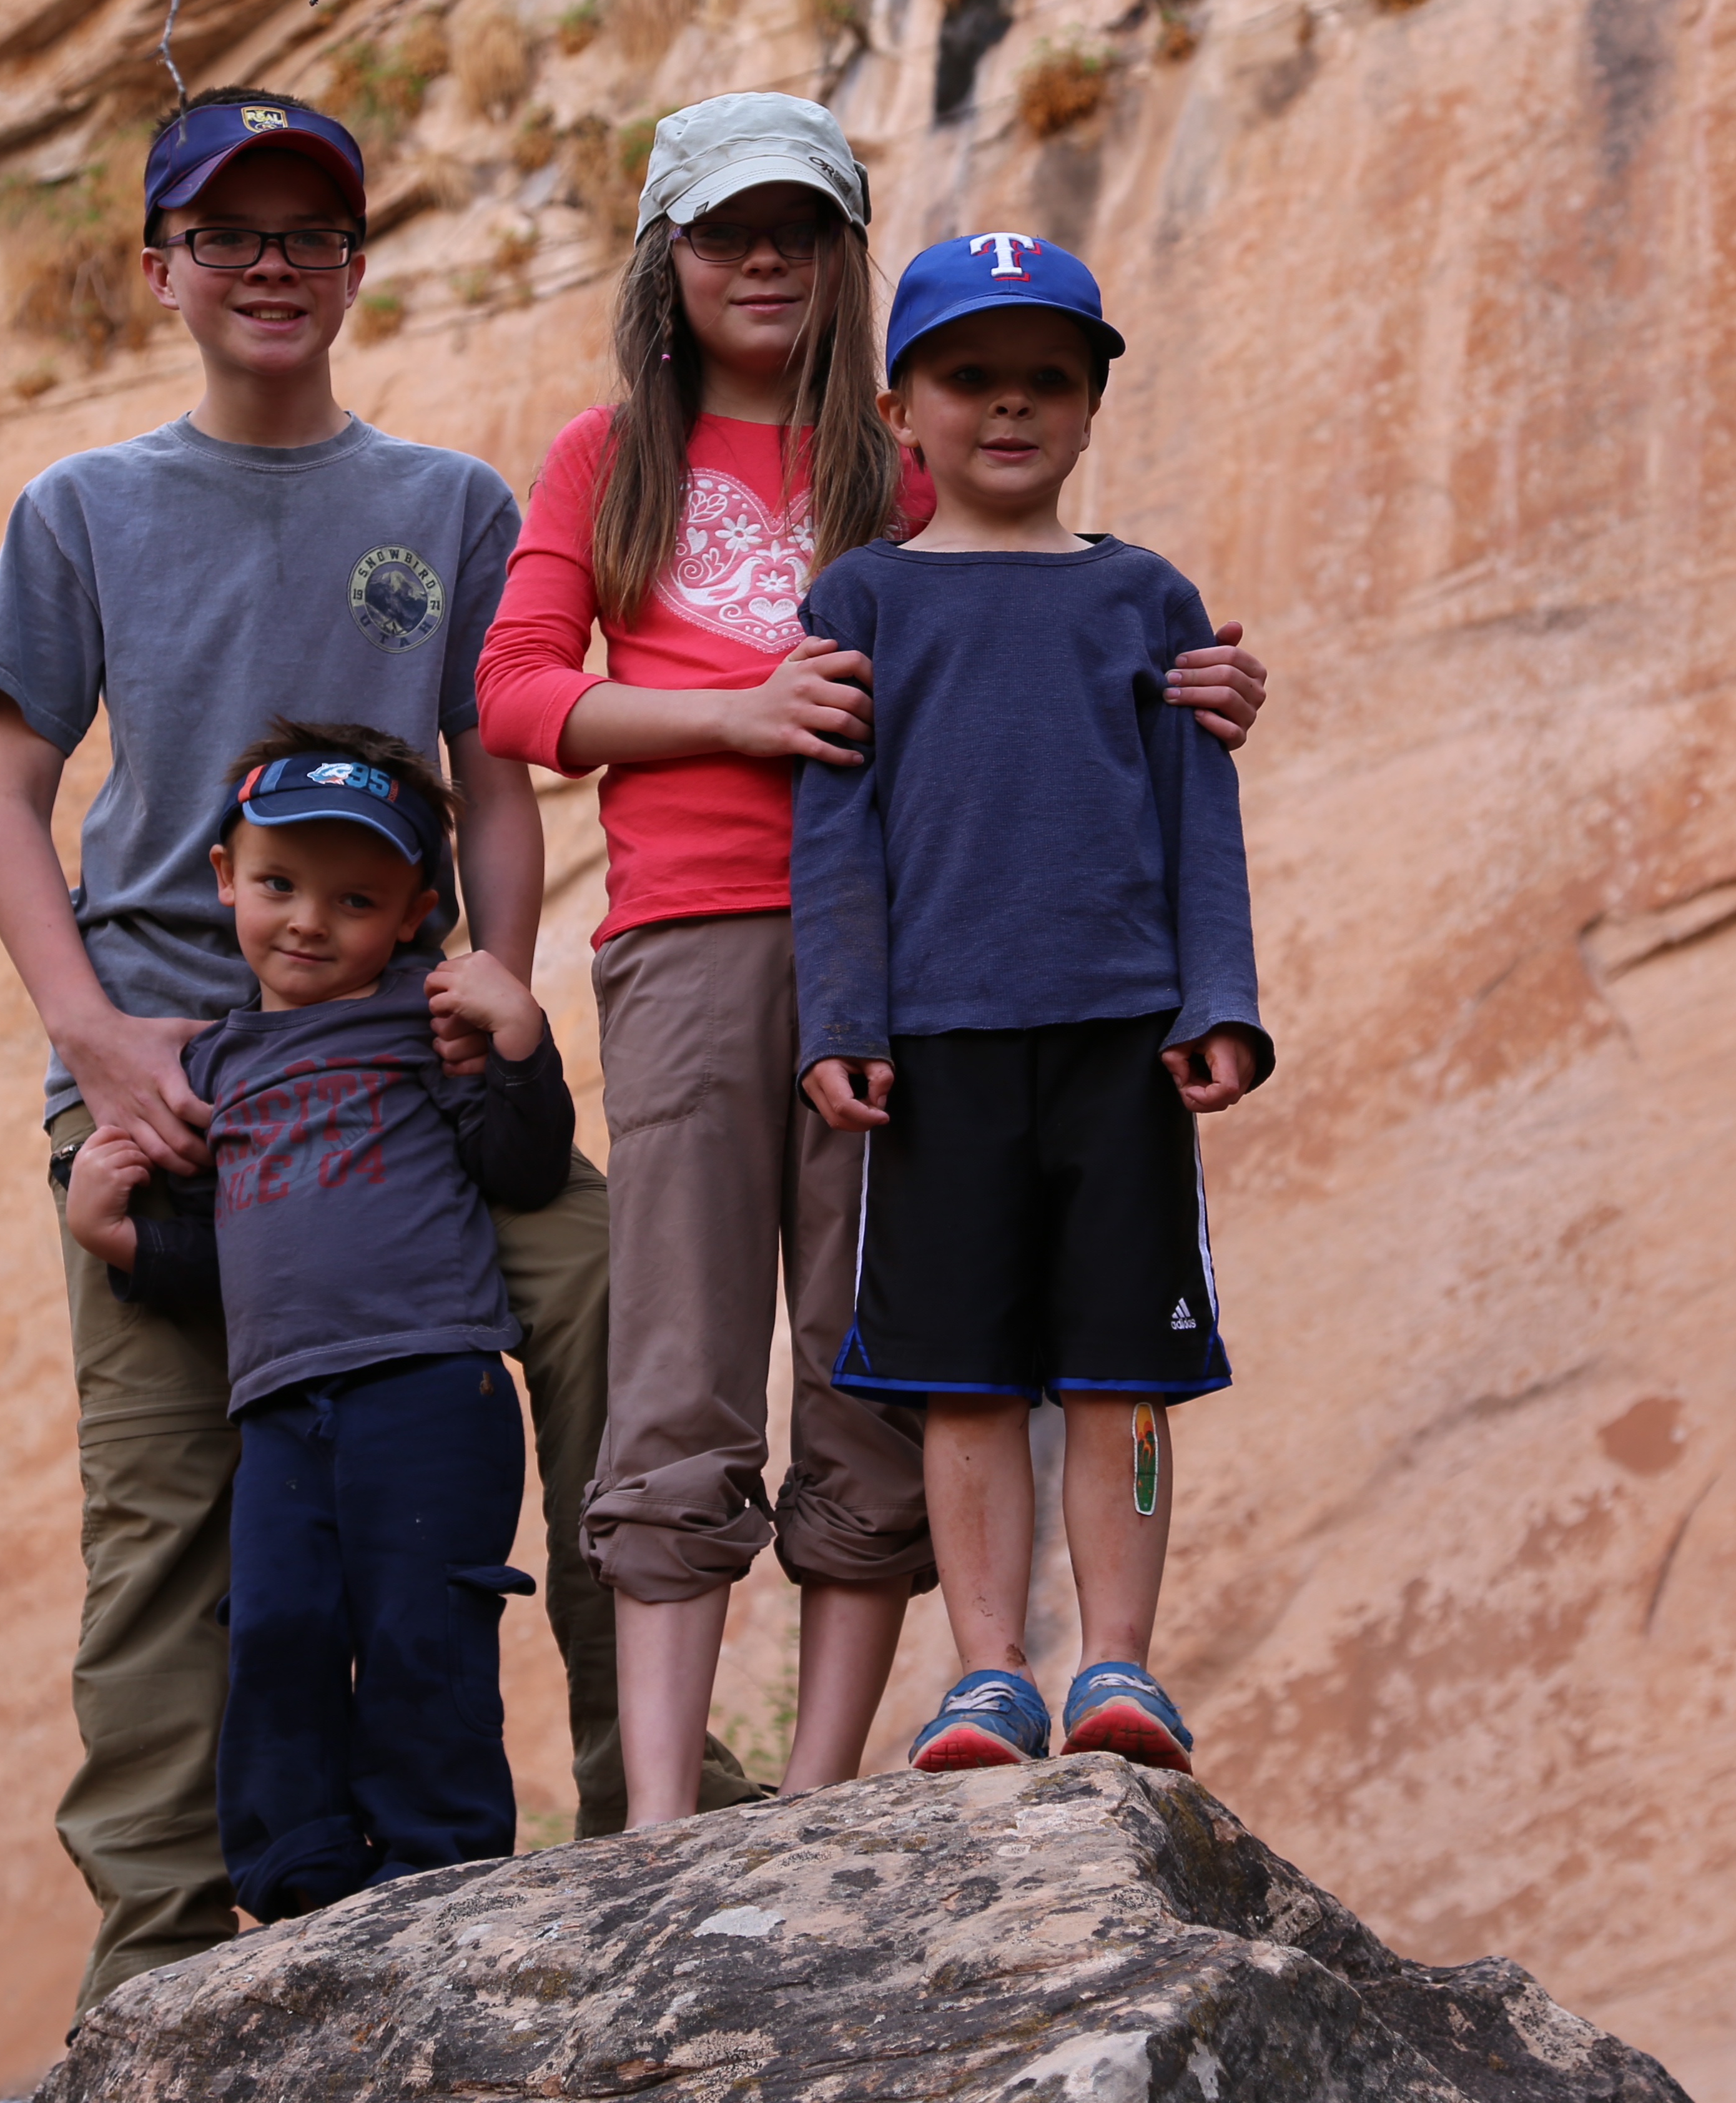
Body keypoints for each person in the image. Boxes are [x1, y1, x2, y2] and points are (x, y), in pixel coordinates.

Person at [473, 95, 1272, 1826]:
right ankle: (668, 1813)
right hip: (690, 932)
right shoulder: (611, 457)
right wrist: (735, 714)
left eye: (800, 232)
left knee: (874, 1353)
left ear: (849, 263)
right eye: (722, 232)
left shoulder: (908, 466)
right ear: (664, 257)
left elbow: (1051, 645)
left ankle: (822, 1793)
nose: (761, 261)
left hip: (923, 965)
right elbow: (519, 691)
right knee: (681, 1357)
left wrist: (1196, 689)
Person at [0, 89, 621, 2017]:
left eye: (306, 236)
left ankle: (646, 1789)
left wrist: (498, 978)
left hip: (406, 1059)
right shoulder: (85, 510)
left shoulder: (447, 508)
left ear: (352, 268)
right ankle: (158, 1951)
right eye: (224, 236)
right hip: (178, 1078)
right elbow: (6, 800)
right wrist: (92, 1041)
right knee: (168, 1510)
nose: (267, 269)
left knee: (593, 1303)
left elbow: (495, 778)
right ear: (159, 267)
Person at [793, 232, 1270, 1777]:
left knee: (1126, 1369)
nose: (1010, 410)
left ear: (1091, 405)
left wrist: (1220, 999)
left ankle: (1119, 1666)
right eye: (970, 379)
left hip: (1120, 1038)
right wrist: (840, 1021)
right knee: (964, 1372)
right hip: (936, 1051)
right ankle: (988, 1672)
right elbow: (835, 834)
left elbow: (1201, 814)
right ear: (899, 406)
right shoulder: (860, 602)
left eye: (1047, 382)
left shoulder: (1147, 598)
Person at [63, 725, 569, 1919]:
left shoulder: (424, 1016)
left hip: (431, 1385)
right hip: (283, 1406)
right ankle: (294, 1878)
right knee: (278, 1625)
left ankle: (434, 1865)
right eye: (278, 884)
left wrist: (520, 1040)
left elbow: (521, 1166)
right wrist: (121, 1241)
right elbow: (233, 1254)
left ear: (410, 915)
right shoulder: (207, 1066)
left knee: (419, 1624)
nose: (307, 921)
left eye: (353, 899)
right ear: (225, 878)